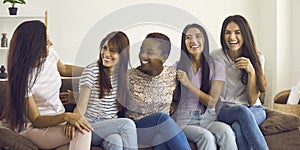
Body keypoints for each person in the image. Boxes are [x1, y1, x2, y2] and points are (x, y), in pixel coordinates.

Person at [5, 20, 92, 150]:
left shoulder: (50, 54)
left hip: (58, 123)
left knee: (69, 146)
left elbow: (64, 69)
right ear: (33, 47)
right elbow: (36, 119)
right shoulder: (24, 78)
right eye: (46, 42)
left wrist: (91, 69)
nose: (51, 43)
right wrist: (67, 116)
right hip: (34, 128)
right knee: (83, 131)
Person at [65, 31, 138, 150]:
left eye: (112, 51)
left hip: (110, 126)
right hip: (89, 125)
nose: (106, 54)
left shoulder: (122, 75)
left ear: (122, 54)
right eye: (104, 48)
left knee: (116, 142)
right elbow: (81, 106)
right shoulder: (92, 70)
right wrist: (74, 120)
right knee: (127, 124)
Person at [172, 23, 238, 150]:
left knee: (226, 132)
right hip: (184, 119)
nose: (193, 41)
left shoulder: (216, 66)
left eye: (198, 36)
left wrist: (188, 83)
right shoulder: (177, 67)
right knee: (206, 137)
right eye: (188, 38)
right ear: (183, 42)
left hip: (208, 117)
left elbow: (212, 102)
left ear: (205, 40)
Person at [211, 15, 269, 150]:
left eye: (237, 32)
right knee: (241, 111)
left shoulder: (257, 58)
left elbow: (252, 101)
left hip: (255, 109)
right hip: (225, 109)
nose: (232, 37)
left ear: (245, 34)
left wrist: (251, 72)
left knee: (238, 126)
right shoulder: (216, 56)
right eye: (227, 33)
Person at [124, 32, 191, 150]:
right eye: (141, 50)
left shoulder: (171, 74)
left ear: (164, 57)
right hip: (137, 129)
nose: (142, 55)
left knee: (160, 139)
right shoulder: (128, 76)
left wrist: (174, 104)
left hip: (161, 131)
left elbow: (178, 97)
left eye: (149, 52)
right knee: (162, 118)